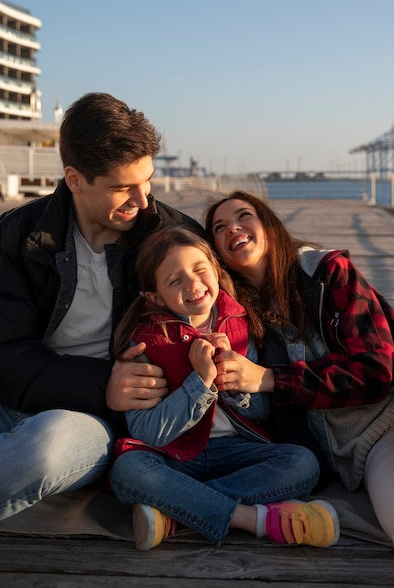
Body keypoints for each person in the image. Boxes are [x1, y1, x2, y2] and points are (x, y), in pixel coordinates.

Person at [0, 92, 203, 521]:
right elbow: (6, 349)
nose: (143, 200)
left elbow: (234, 297)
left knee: (45, 451)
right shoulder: (17, 235)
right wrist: (102, 380)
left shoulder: (170, 237)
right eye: (122, 187)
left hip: (90, 418)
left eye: (146, 181)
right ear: (75, 179)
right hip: (17, 393)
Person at [109, 226, 340, 550]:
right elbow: (147, 434)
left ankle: (177, 512)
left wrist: (233, 379)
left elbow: (259, 411)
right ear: (155, 296)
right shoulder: (147, 341)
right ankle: (255, 520)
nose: (193, 284)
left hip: (236, 452)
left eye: (200, 270)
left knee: (302, 463)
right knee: (128, 470)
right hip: (174, 457)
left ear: (216, 270)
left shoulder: (240, 324)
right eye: (175, 281)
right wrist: (200, 382)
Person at [204, 189, 394, 544]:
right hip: (341, 459)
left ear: (270, 226)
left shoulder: (329, 274)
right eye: (219, 226)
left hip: (384, 425)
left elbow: (375, 371)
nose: (233, 228)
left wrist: (271, 379)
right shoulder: (232, 315)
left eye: (244, 215)